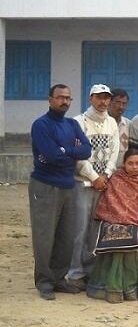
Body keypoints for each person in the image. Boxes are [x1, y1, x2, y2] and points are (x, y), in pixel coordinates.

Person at [29, 84, 92, 300]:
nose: (64, 101)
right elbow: (50, 155)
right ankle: (44, 281)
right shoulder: (41, 125)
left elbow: (86, 150)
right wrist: (71, 152)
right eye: (60, 97)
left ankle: (58, 278)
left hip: (69, 185)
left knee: (67, 236)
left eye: (68, 98)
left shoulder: (72, 124)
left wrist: (65, 150)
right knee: (44, 236)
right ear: (50, 100)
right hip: (45, 185)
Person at [67, 84, 120, 290]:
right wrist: (94, 177)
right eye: (99, 97)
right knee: (79, 229)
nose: (103, 101)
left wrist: (106, 175)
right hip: (82, 184)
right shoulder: (78, 122)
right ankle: (74, 272)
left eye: (106, 97)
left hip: (103, 184)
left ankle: (90, 271)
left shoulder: (112, 123)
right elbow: (78, 156)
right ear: (91, 99)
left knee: (95, 229)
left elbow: (114, 152)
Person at [86, 148, 138, 303]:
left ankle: (132, 289)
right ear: (123, 164)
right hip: (114, 221)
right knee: (117, 240)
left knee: (136, 243)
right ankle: (109, 289)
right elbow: (109, 203)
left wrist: (137, 223)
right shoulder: (115, 179)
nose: (134, 167)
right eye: (130, 163)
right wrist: (124, 220)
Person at [108, 88, 131, 167]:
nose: (121, 107)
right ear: (109, 102)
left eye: (124, 103)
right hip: (103, 171)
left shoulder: (128, 125)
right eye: (117, 102)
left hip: (123, 171)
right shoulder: (101, 124)